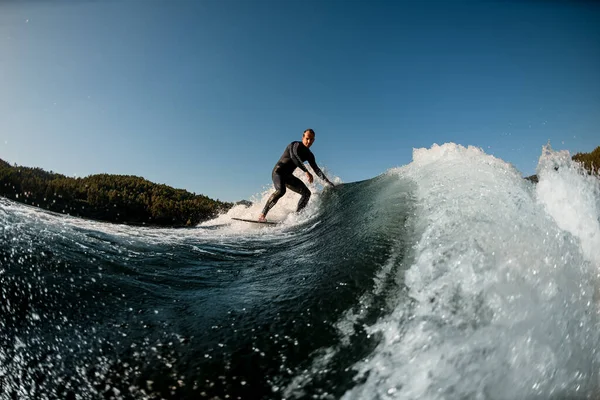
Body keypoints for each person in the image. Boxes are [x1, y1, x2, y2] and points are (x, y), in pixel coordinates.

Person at [258, 129, 334, 222]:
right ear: (303, 137)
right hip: (278, 172)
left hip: (288, 176)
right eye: (307, 138)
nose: (309, 141)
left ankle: (297, 217)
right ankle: (262, 215)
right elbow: (294, 157)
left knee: (307, 193)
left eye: (311, 139)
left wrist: (328, 182)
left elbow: (316, 169)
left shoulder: (309, 155)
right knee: (281, 190)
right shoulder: (295, 145)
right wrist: (306, 171)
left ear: (314, 140)